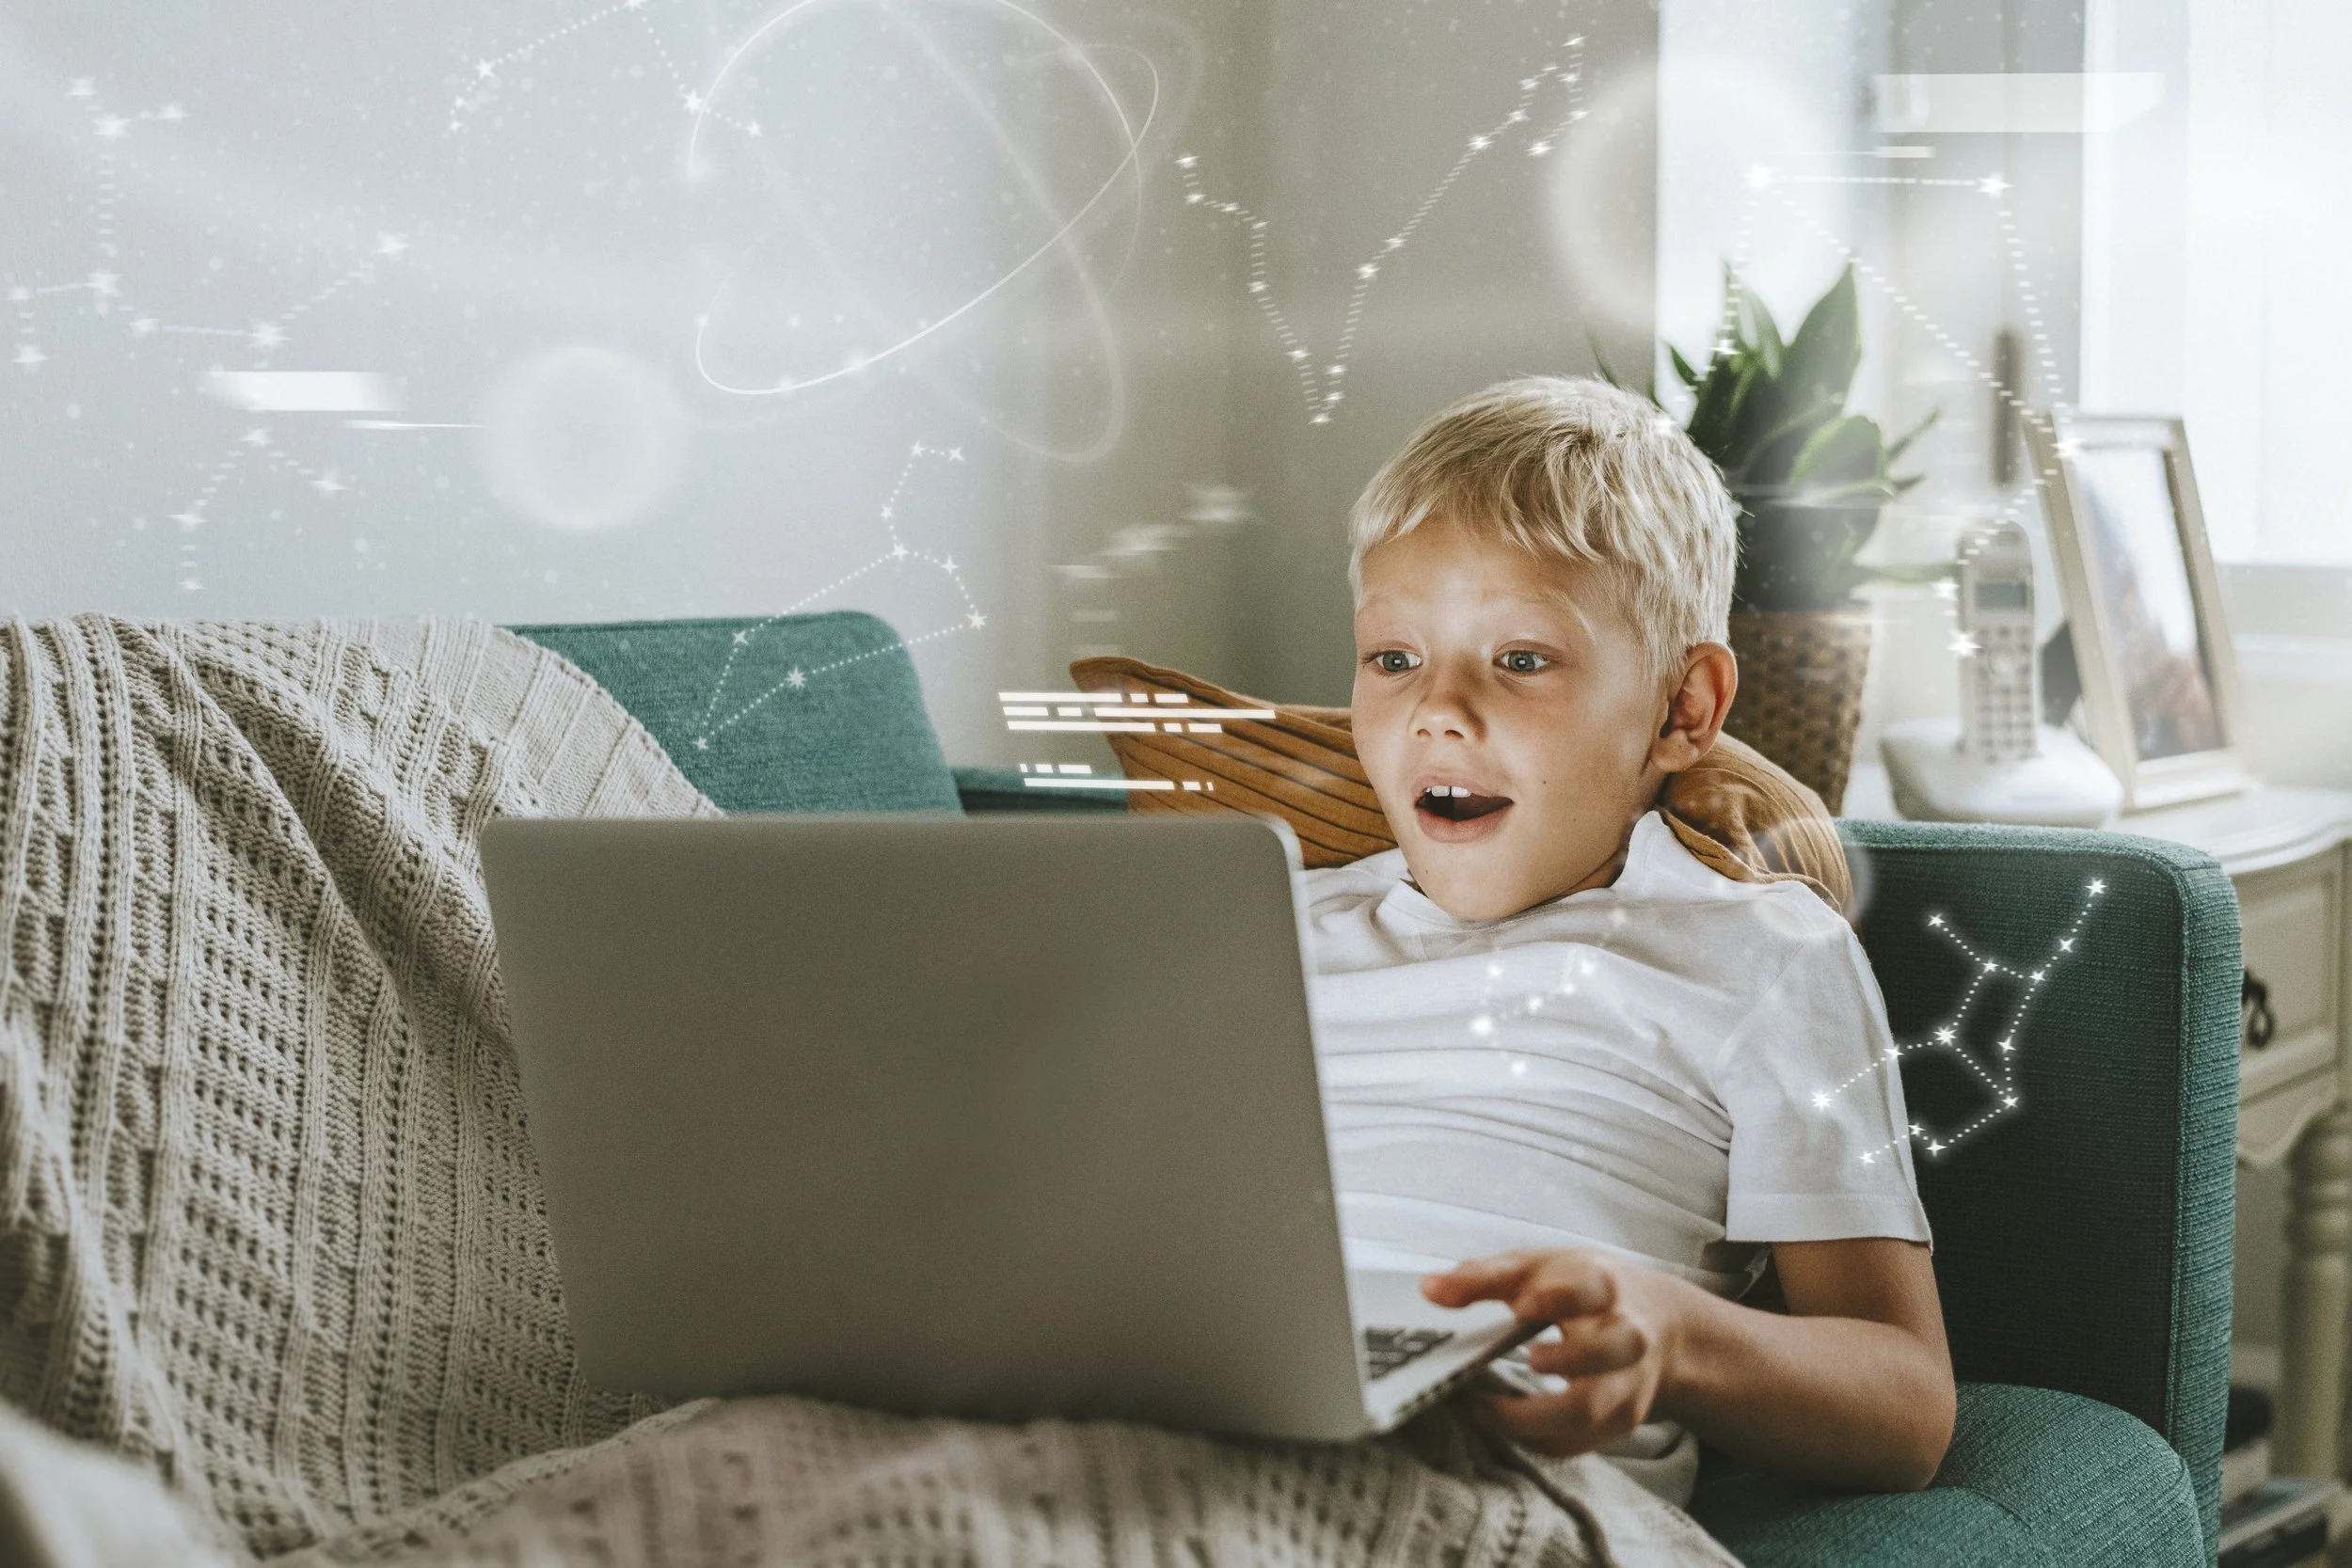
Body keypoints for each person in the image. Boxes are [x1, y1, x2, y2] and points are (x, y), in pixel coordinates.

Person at [1306, 375, 1953, 1505]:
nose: (1437, 710)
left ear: (1682, 709)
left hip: (1498, 1467)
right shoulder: (1272, 930)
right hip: (1221, 1400)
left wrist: (1669, 1332)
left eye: (1520, 658)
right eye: (1393, 658)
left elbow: (1903, 1401)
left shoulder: (1758, 954)